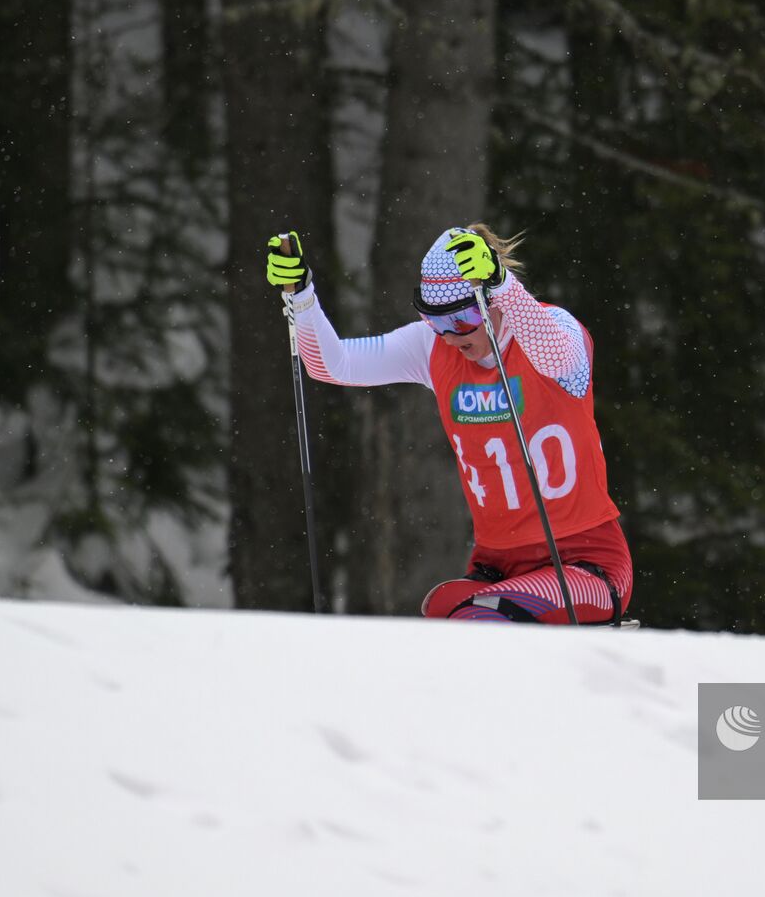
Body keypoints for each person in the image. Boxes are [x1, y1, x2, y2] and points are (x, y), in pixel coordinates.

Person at [265, 226, 632, 624]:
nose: (451, 336)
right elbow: (332, 366)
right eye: (435, 320)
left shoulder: (553, 329)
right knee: (439, 611)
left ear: (491, 298)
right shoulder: (433, 347)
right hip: (498, 569)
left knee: (476, 621)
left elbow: (557, 360)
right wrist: (301, 297)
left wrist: (502, 284)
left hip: (583, 563)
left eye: (463, 318)